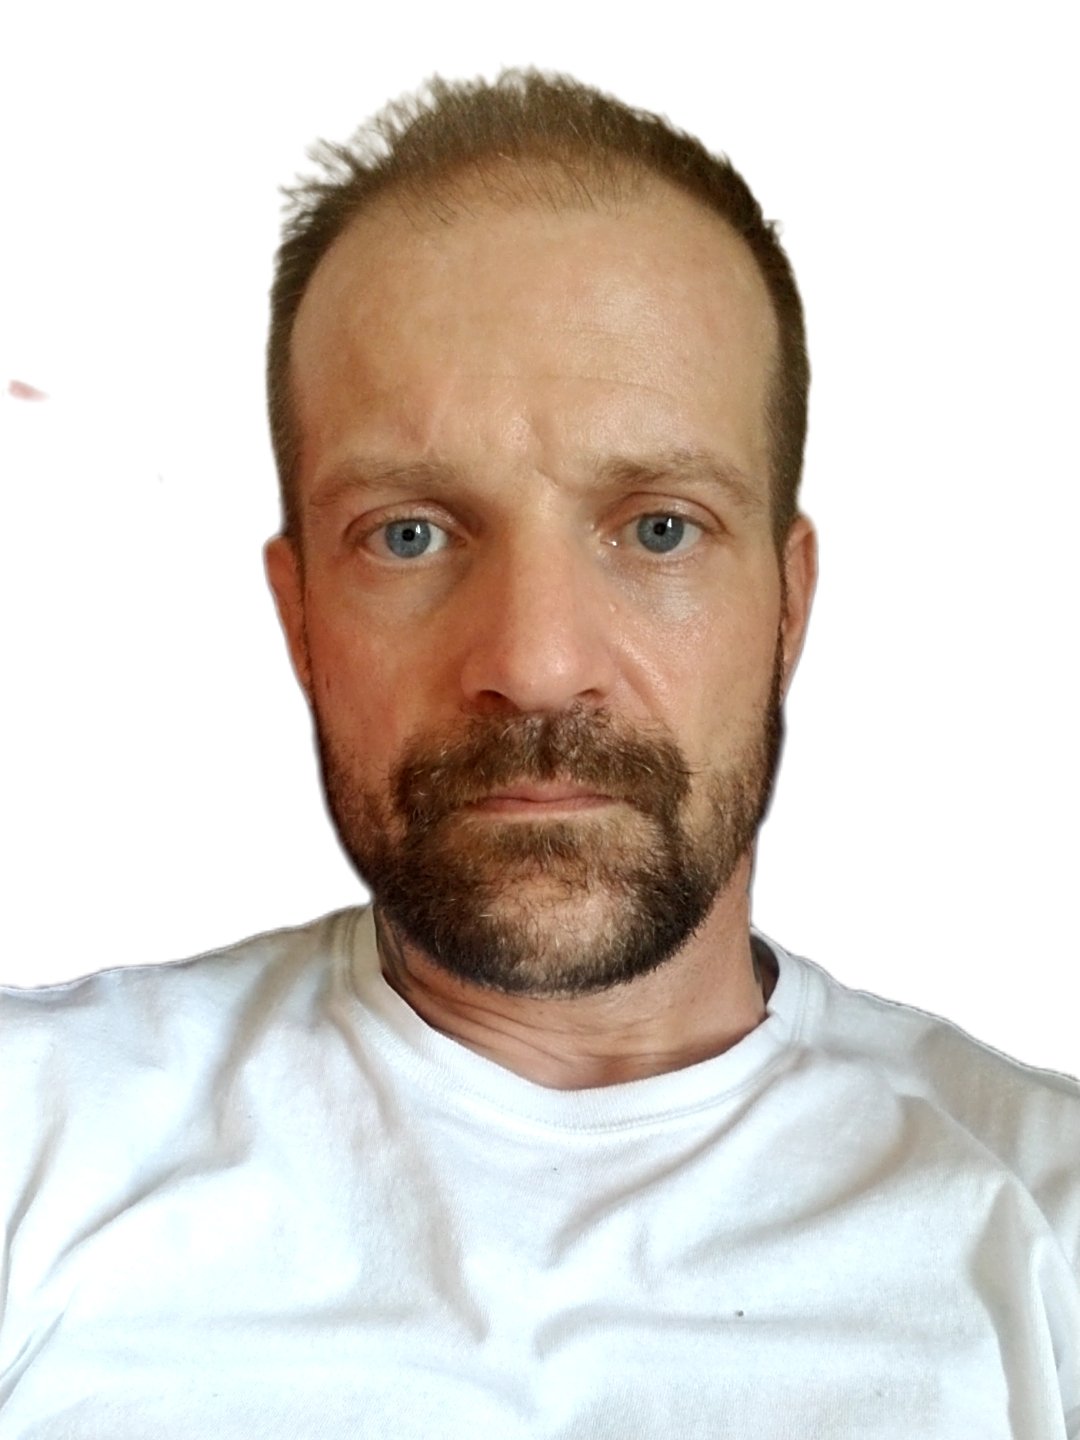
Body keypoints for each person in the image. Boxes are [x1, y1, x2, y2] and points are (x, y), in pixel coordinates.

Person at [1, 69, 1077, 1439]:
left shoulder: (1042, 1224)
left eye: (660, 528)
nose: (538, 658)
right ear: (299, 615)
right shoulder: (35, 1143)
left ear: (788, 606)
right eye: (409, 534)